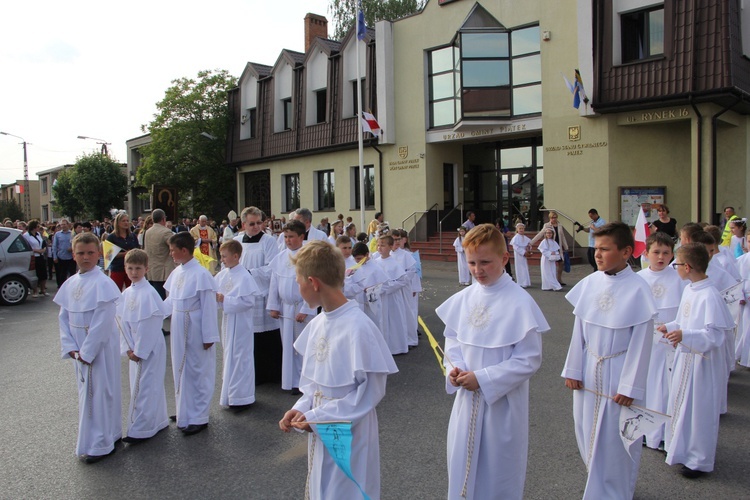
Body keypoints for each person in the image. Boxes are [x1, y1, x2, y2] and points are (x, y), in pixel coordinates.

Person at [278, 240, 398, 500]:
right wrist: (302, 406)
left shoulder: (358, 327)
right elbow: (313, 383)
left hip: (349, 429)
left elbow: (371, 391)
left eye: (299, 282)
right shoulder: (319, 323)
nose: (298, 289)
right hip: (320, 425)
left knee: (346, 490)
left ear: (314, 282)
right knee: (322, 487)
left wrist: (319, 416)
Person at [437, 224, 549, 499]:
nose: (477, 270)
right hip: (466, 401)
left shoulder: (519, 302)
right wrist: (454, 369)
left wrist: (483, 378)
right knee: (461, 465)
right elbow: (452, 339)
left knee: (497, 472)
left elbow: (528, 359)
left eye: (485, 262)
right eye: (471, 262)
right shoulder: (463, 299)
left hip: (502, 405)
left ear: (505, 259)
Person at [562, 222, 656, 499]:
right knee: (586, 429)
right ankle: (597, 482)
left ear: (626, 251)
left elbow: (642, 343)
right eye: (595, 249)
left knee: (615, 440)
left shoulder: (638, 289)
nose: (597, 255)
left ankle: (616, 491)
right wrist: (573, 369)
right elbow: (579, 331)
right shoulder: (590, 283)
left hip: (619, 373)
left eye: (604, 249)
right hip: (589, 369)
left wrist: (630, 386)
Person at [658, 243, 734, 478]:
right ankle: (680, 449)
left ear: (687, 267)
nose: (675, 268)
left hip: (702, 363)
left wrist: (685, 336)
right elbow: (685, 320)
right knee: (682, 405)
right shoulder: (691, 289)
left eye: (677, 264)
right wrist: (670, 327)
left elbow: (715, 335)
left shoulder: (710, 296)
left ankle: (699, 460)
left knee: (699, 411)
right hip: (686, 358)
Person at [54, 232, 122, 463]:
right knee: (88, 394)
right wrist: (71, 347)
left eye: (90, 253)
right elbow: (63, 317)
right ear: (73, 255)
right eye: (81, 253)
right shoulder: (71, 283)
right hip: (79, 348)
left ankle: (102, 442)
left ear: (98, 254)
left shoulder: (104, 283)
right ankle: (101, 437)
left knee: (101, 393)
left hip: (98, 348)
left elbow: (103, 322)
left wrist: (87, 351)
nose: (86, 257)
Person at [164, 231, 220, 435]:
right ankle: (184, 410)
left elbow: (208, 307)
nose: (170, 254)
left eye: (173, 250)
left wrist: (209, 336)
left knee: (198, 371)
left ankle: (199, 416)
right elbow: (172, 301)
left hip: (196, 328)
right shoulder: (177, 271)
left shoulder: (201, 274)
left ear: (184, 250)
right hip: (179, 325)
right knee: (181, 368)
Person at [636, 232, 686, 450]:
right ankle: (647, 431)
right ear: (646, 253)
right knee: (647, 385)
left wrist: (675, 328)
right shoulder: (639, 278)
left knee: (666, 387)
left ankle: (666, 432)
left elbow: (684, 309)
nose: (661, 257)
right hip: (646, 339)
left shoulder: (679, 278)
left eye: (666, 253)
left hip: (668, 339)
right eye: (656, 252)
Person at [117, 249, 170, 444]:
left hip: (148, 348)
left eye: (138, 268)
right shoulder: (127, 292)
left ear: (146, 269)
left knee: (145, 386)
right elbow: (121, 321)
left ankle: (141, 429)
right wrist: (127, 347)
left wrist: (139, 351)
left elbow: (150, 324)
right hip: (134, 346)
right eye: (130, 268)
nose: (134, 272)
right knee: (139, 385)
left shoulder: (149, 293)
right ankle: (158, 419)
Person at [267, 220, 317, 394]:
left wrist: (306, 308)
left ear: (302, 237)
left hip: (301, 308)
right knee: (287, 346)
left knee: (303, 346)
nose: (288, 240)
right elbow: (274, 283)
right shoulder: (280, 257)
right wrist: (273, 305)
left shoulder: (309, 257)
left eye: (291, 237)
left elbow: (313, 285)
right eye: (286, 237)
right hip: (285, 308)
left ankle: (306, 381)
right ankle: (291, 381)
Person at [234, 206, 282, 385]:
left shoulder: (268, 241)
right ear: (243, 223)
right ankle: (252, 374)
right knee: (249, 335)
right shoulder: (237, 240)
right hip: (244, 295)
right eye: (252, 223)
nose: (256, 227)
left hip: (262, 294)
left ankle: (271, 374)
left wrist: (247, 273)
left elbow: (272, 268)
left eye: (259, 223)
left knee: (267, 336)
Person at [215, 239, 261, 410]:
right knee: (229, 356)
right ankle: (230, 395)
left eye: (225, 256)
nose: (222, 260)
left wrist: (226, 300)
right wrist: (219, 299)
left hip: (241, 323)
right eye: (221, 256)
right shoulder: (223, 274)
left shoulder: (244, 276)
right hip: (228, 321)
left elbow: (248, 301)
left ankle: (242, 397)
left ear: (236, 256)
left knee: (240, 357)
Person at [374, 234, 410, 355]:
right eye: (378, 245)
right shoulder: (375, 261)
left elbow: (403, 280)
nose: (379, 248)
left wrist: (387, 287)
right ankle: (384, 346)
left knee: (394, 321)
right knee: (381, 320)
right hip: (380, 297)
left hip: (392, 297)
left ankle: (396, 346)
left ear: (390, 247)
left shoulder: (394, 263)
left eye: (383, 245)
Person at [144, 209, 176, 302]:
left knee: (154, 295)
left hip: (151, 268)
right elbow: (174, 246)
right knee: (162, 296)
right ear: (163, 219)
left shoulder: (148, 231)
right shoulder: (166, 232)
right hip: (163, 269)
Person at [531, 211, 569, 285]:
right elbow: (540, 234)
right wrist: (531, 242)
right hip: (550, 246)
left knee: (561, 262)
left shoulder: (560, 225)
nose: (553, 219)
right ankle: (552, 279)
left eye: (555, 217)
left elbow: (562, 236)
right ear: (549, 218)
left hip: (558, 245)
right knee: (552, 263)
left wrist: (566, 246)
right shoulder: (547, 225)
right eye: (552, 218)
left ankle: (559, 279)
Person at [107, 212, 140, 291]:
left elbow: (137, 249)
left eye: (127, 221)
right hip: (117, 268)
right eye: (123, 221)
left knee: (133, 290)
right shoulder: (111, 237)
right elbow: (108, 256)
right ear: (118, 223)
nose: (126, 223)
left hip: (131, 268)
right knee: (115, 291)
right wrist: (124, 254)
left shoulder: (132, 236)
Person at [23, 220, 48, 297]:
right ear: (33, 227)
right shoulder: (26, 235)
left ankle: (43, 290)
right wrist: (37, 250)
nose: (38, 228)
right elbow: (26, 247)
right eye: (37, 226)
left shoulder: (38, 234)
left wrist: (43, 250)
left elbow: (42, 244)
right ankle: (35, 291)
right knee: (35, 274)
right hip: (33, 257)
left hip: (40, 256)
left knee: (43, 273)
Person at [52, 218, 77, 287]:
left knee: (72, 274)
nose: (63, 226)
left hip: (71, 257)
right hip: (61, 257)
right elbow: (54, 246)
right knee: (62, 274)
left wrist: (72, 248)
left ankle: (72, 287)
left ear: (68, 225)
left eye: (64, 224)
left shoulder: (72, 234)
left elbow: (76, 244)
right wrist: (54, 256)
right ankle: (61, 287)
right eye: (62, 225)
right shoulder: (57, 234)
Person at [509, 223, 531, 288]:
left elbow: (529, 244)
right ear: (517, 229)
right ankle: (521, 282)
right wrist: (523, 252)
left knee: (525, 268)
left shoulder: (525, 237)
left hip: (524, 255)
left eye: (522, 228)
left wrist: (528, 248)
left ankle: (526, 282)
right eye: (520, 229)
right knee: (520, 268)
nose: (521, 230)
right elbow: (515, 247)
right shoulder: (515, 238)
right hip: (519, 255)